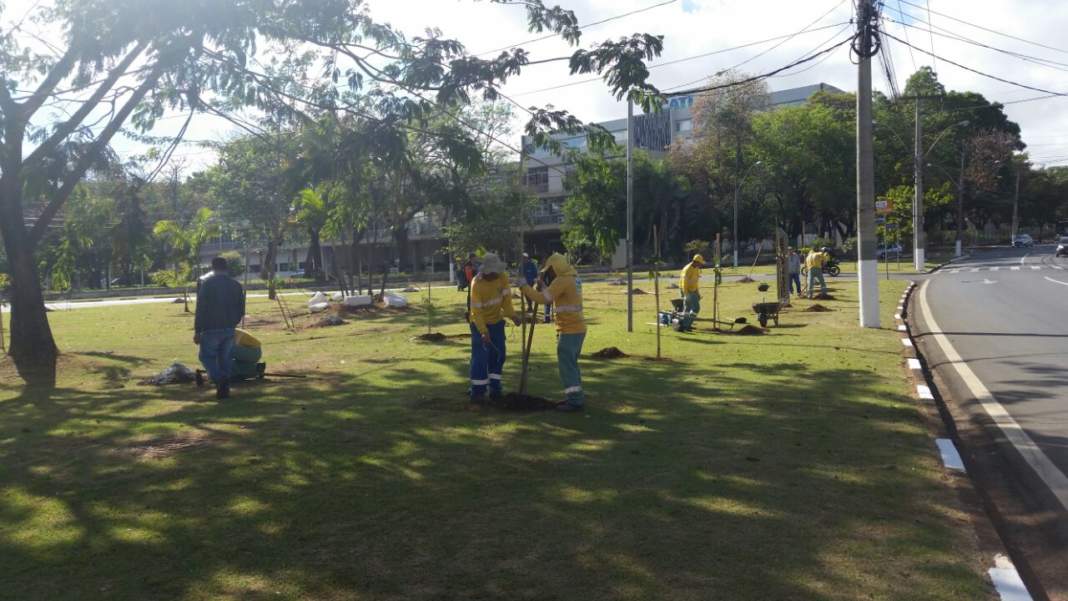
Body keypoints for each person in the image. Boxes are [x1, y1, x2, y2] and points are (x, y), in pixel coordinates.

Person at [518, 253, 587, 412]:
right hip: (577, 328)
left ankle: (575, 401)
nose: (550, 274)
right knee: (571, 365)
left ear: (556, 268)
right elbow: (553, 294)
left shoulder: (562, 280)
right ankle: (575, 395)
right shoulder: (573, 278)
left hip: (569, 329)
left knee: (567, 366)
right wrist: (543, 286)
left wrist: (524, 286)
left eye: (550, 271)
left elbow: (543, 299)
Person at [468, 253, 521, 402]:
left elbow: (506, 300)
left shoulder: (502, 277)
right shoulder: (476, 284)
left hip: (497, 323)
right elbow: (476, 311)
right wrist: (483, 332)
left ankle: (495, 388)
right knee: (480, 357)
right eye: (493, 272)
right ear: (486, 271)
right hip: (479, 324)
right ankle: (478, 391)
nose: (496, 275)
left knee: (499, 355)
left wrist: (513, 315)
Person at [194, 256, 245, 399]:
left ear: (213, 268)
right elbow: (241, 309)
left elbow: (201, 309)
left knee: (206, 356)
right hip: (229, 327)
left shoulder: (207, 284)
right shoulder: (236, 285)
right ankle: (225, 385)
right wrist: (233, 322)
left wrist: (198, 330)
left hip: (210, 328)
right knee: (225, 358)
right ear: (226, 267)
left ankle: (219, 379)